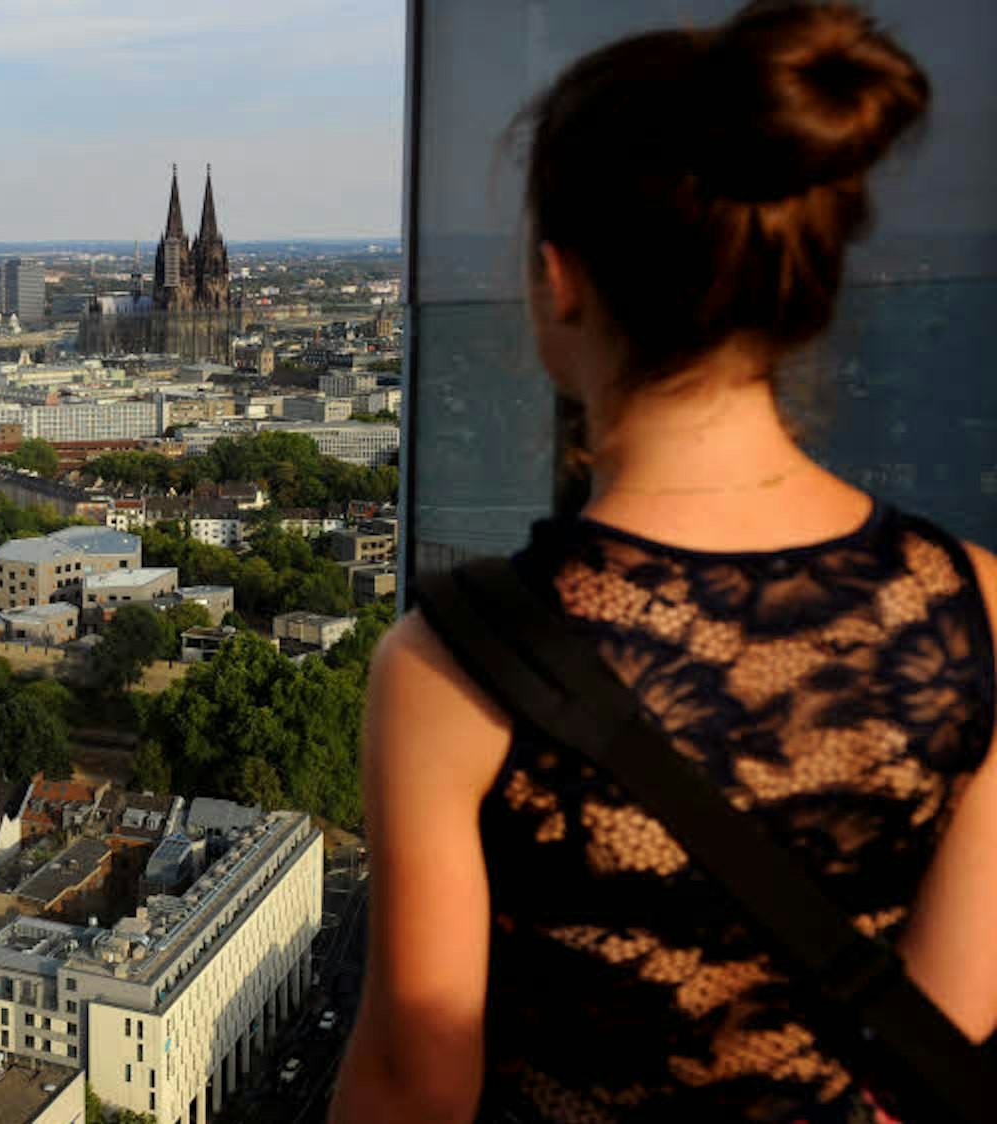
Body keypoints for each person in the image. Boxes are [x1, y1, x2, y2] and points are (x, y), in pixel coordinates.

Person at [330, 3, 994, 1121]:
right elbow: (950, 1021)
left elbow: (414, 1077)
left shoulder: (450, 666)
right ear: (803, 287)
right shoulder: (972, 602)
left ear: (559, 280)